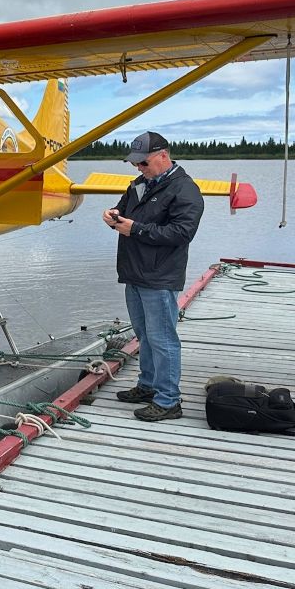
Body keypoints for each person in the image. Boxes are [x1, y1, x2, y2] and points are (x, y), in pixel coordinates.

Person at [102, 131, 203, 422]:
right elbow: (125, 211)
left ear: (162, 156)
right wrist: (113, 215)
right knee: (145, 335)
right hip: (134, 272)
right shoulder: (138, 184)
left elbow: (182, 233)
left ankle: (169, 400)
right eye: (134, 164)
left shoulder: (185, 189)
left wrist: (136, 229)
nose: (138, 168)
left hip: (159, 276)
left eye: (143, 163)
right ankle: (147, 386)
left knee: (163, 339)